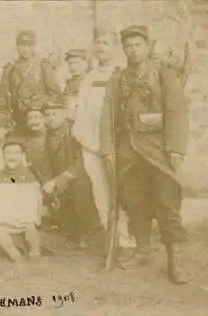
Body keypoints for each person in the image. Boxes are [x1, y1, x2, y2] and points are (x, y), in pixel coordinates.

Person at [100, 25, 190, 284]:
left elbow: (176, 111)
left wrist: (176, 148)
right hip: (128, 151)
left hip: (158, 151)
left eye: (138, 45)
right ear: (124, 49)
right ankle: (143, 249)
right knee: (135, 203)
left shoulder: (164, 74)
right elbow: (108, 115)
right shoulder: (118, 79)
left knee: (166, 204)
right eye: (129, 46)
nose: (133, 50)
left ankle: (176, 259)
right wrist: (108, 149)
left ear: (148, 47)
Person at [72, 28, 136, 258]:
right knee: (101, 194)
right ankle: (113, 241)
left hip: (118, 145)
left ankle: (128, 239)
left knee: (123, 192)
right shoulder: (88, 79)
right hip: (92, 145)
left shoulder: (123, 75)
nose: (101, 47)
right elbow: (82, 114)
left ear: (115, 47)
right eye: (97, 42)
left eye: (106, 43)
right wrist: (91, 143)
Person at [42, 96, 102, 253]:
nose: (50, 118)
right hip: (61, 179)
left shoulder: (75, 133)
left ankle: (91, 232)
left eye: (54, 114)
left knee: (80, 188)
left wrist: (59, 180)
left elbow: (81, 163)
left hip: (81, 176)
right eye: (47, 115)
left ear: (63, 114)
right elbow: (47, 163)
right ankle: (73, 233)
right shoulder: (46, 137)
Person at [0, 137, 43, 263]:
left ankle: (35, 252)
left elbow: (33, 202)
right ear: (3, 155)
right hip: (2, 221)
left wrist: (26, 217)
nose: (12, 156)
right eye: (8, 153)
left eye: (16, 153)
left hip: (22, 220)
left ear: (22, 156)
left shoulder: (29, 177)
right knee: (1, 232)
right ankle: (15, 256)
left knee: (30, 227)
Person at [0, 30, 61, 132]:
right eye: (22, 45)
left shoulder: (43, 66)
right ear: (17, 46)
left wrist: (39, 101)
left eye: (29, 45)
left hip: (39, 120)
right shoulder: (9, 69)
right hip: (17, 121)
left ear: (34, 47)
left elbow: (55, 95)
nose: (25, 49)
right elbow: (2, 99)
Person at [62, 49, 89, 122]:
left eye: (76, 63)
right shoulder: (68, 82)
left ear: (85, 64)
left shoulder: (89, 81)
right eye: (70, 63)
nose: (72, 67)